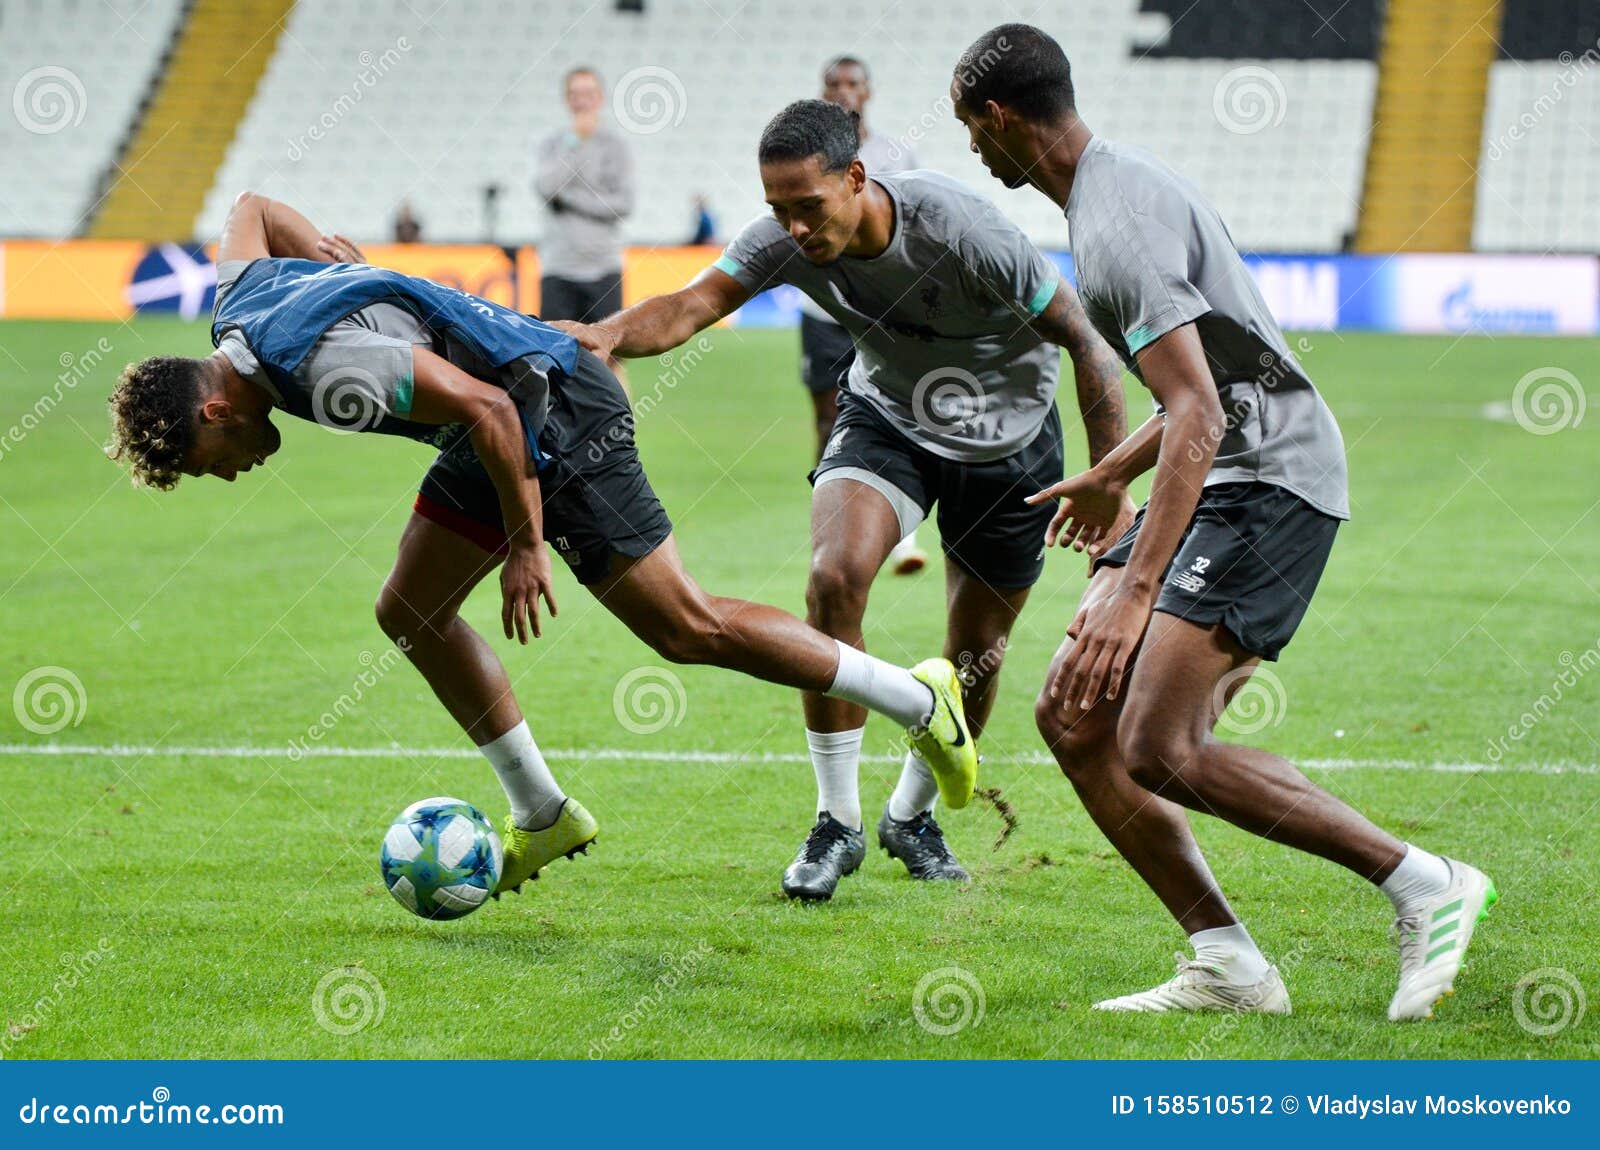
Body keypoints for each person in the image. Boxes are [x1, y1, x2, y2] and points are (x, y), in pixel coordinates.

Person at [104, 191, 980, 902]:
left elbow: (489, 410)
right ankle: (542, 811)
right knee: (410, 609)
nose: (224, 475)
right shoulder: (239, 301)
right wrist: (343, 265)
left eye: (204, 462)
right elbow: (255, 206)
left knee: (685, 627)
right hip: (493, 425)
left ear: (214, 411)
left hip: (555, 408)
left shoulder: (327, 367)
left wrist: (528, 546)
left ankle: (915, 700)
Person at [951, 24, 1495, 1019]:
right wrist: (1111, 471)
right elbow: (1206, 382)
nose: (975, 157)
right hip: (1225, 465)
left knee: (1158, 743)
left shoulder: (1115, 223)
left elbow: (1201, 410)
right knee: (1075, 716)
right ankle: (1228, 964)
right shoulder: (1114, 190)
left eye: (972, 134)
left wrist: (1134, 595)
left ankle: (1425, 879)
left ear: (1000, 119)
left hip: (1268, 477)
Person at [553, 100, 1129, 901]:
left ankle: (912, 817)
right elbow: (690, 307)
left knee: (977, 651)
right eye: (777, 210)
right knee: (833, 580)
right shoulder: (782, 240)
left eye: (807, 207)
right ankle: (837, 824)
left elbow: (1088, 341)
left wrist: (1111, 485)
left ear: (856, 179)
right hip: (886, 421)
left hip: (1012, 446)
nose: (792, 227)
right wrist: (607, 333)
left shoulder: (964, 230)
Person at [803, 56, 929, 576]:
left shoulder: (894, 154)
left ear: (868, 93)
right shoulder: (804, 154)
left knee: (897, 409)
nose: (843, 92)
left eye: (852, 84)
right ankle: (831, 521)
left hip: (880, 312)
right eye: (833, 83)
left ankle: (905, 536)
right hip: (823, 308)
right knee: (827, 417)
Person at [534, 67, 633, 375]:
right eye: (575, 94)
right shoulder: (552, 144)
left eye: (588, 94)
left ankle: (621, 424)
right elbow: (547, 188)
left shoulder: (615, 146)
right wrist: (574, 142)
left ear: (600, 98)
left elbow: (623, 205)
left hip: (603, 268)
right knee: (553, 360)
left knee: (610, 363)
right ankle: (559, 425)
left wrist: (571, 199)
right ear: (566, 100)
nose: (582, 101)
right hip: (559, 268)